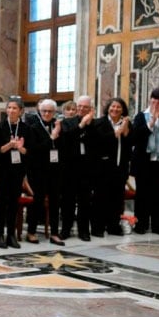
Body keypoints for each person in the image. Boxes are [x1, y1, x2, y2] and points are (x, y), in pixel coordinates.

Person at [131, 88, 159, 235]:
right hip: (144, 162)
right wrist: (151, 122)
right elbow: (136, 137)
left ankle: (158, 226)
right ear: (150, 99)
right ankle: (140, 225)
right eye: (154, 99)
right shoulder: (140, 116)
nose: (156, 102)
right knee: (142, 194)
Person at [89, 97, 132, 237]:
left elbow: (131, 141)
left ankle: (113, 226)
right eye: (113, 106)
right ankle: (97, 228)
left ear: (123, 110)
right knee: (100, 199)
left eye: (119, 107)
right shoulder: (98, 123)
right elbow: (96, 142)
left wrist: (125, 130)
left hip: (120, 168)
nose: (115, 109)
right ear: (108, 108)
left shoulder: (126, 123)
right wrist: (114, 134)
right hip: (102, 168)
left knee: (117, 199)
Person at [25, 99, 65, 246]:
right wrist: (51, 138)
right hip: (38, 170)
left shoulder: (59, 126)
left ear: (55, 112)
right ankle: (31, 231)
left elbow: (63, 147)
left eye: (50, 111)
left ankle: (55, 232)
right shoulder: (33, 127)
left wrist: (57, 136)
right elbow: (34, 150)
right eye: (44, 111)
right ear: (39, 112)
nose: (47, 114)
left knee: (55, 201)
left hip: (55, 170)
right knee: (37, 201)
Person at [0, 97, 28, 249]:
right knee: (2, 203)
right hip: (2, 170)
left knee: (14, 202)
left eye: (14, 108)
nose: (11, 111)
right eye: (9, 108)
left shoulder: (26, 128)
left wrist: (19, 147)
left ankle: (11, 234)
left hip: (17, 171)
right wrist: (10, 145)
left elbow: (27, 152)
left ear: (20, 111)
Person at [59, 96, 95, 241]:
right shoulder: (67, 122)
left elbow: (95, 142)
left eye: (85, 107)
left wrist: (89, 124)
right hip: (69, 167)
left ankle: (84, 231)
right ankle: (66, 230)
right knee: (67, 200)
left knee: (85, 201)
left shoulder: (94, 123)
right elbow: (66, 138)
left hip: (86, 167)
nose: (81, 109)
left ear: (90, 109)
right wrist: (81, 125)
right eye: (79, 106)